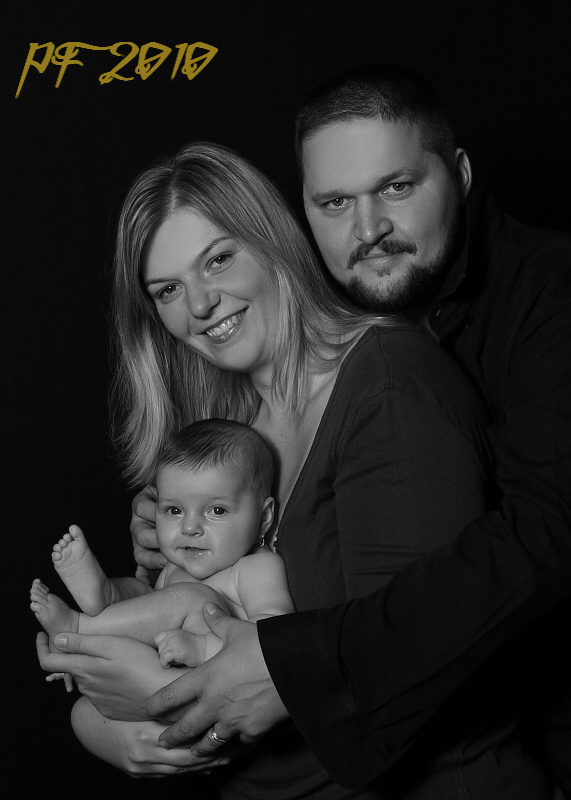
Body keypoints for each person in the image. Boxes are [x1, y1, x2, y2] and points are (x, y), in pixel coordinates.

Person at [36, 140, 556, 798]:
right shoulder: (225, 442)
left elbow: (411, 680)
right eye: (167, 290)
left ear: (271, 241)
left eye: (218, 259)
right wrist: (95, 721)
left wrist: (161, 707)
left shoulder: (387, 385)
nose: (200, 304)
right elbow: (159, 619)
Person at [31, 419, 292, 695]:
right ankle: (106, 595)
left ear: (264, 517)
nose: (189, 528)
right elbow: (149, 617)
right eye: (174, 511)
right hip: (154, 676)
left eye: (217, 511)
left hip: (219, 684)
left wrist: (202, 647)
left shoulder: (257, 566)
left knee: (194, 598)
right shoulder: (174, 567)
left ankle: (79, 628)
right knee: (83, 716)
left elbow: (273, 640)